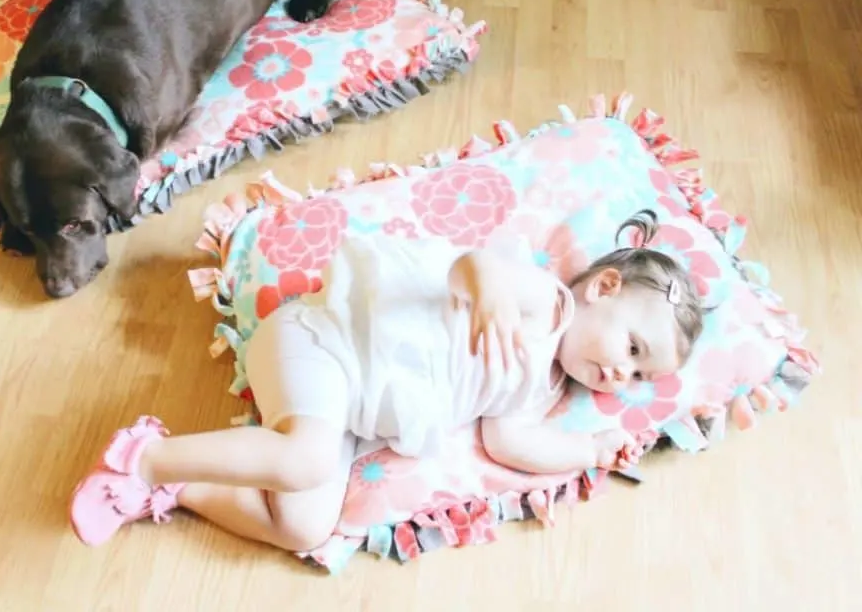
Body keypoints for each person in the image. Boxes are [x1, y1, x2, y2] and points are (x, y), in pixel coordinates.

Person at [69, 209, 706, 551]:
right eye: (632, 346)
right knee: (304, 456)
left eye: (638, 374)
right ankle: (142, 458)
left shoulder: (542, 388)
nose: (622, 374)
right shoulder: (540, 303)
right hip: (324, 345)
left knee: (303, 527)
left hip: (350, 413)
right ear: (603, 288)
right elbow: (470, 266)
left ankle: (175, 490)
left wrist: (587, 450)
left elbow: (510, 445)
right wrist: (489, 297)